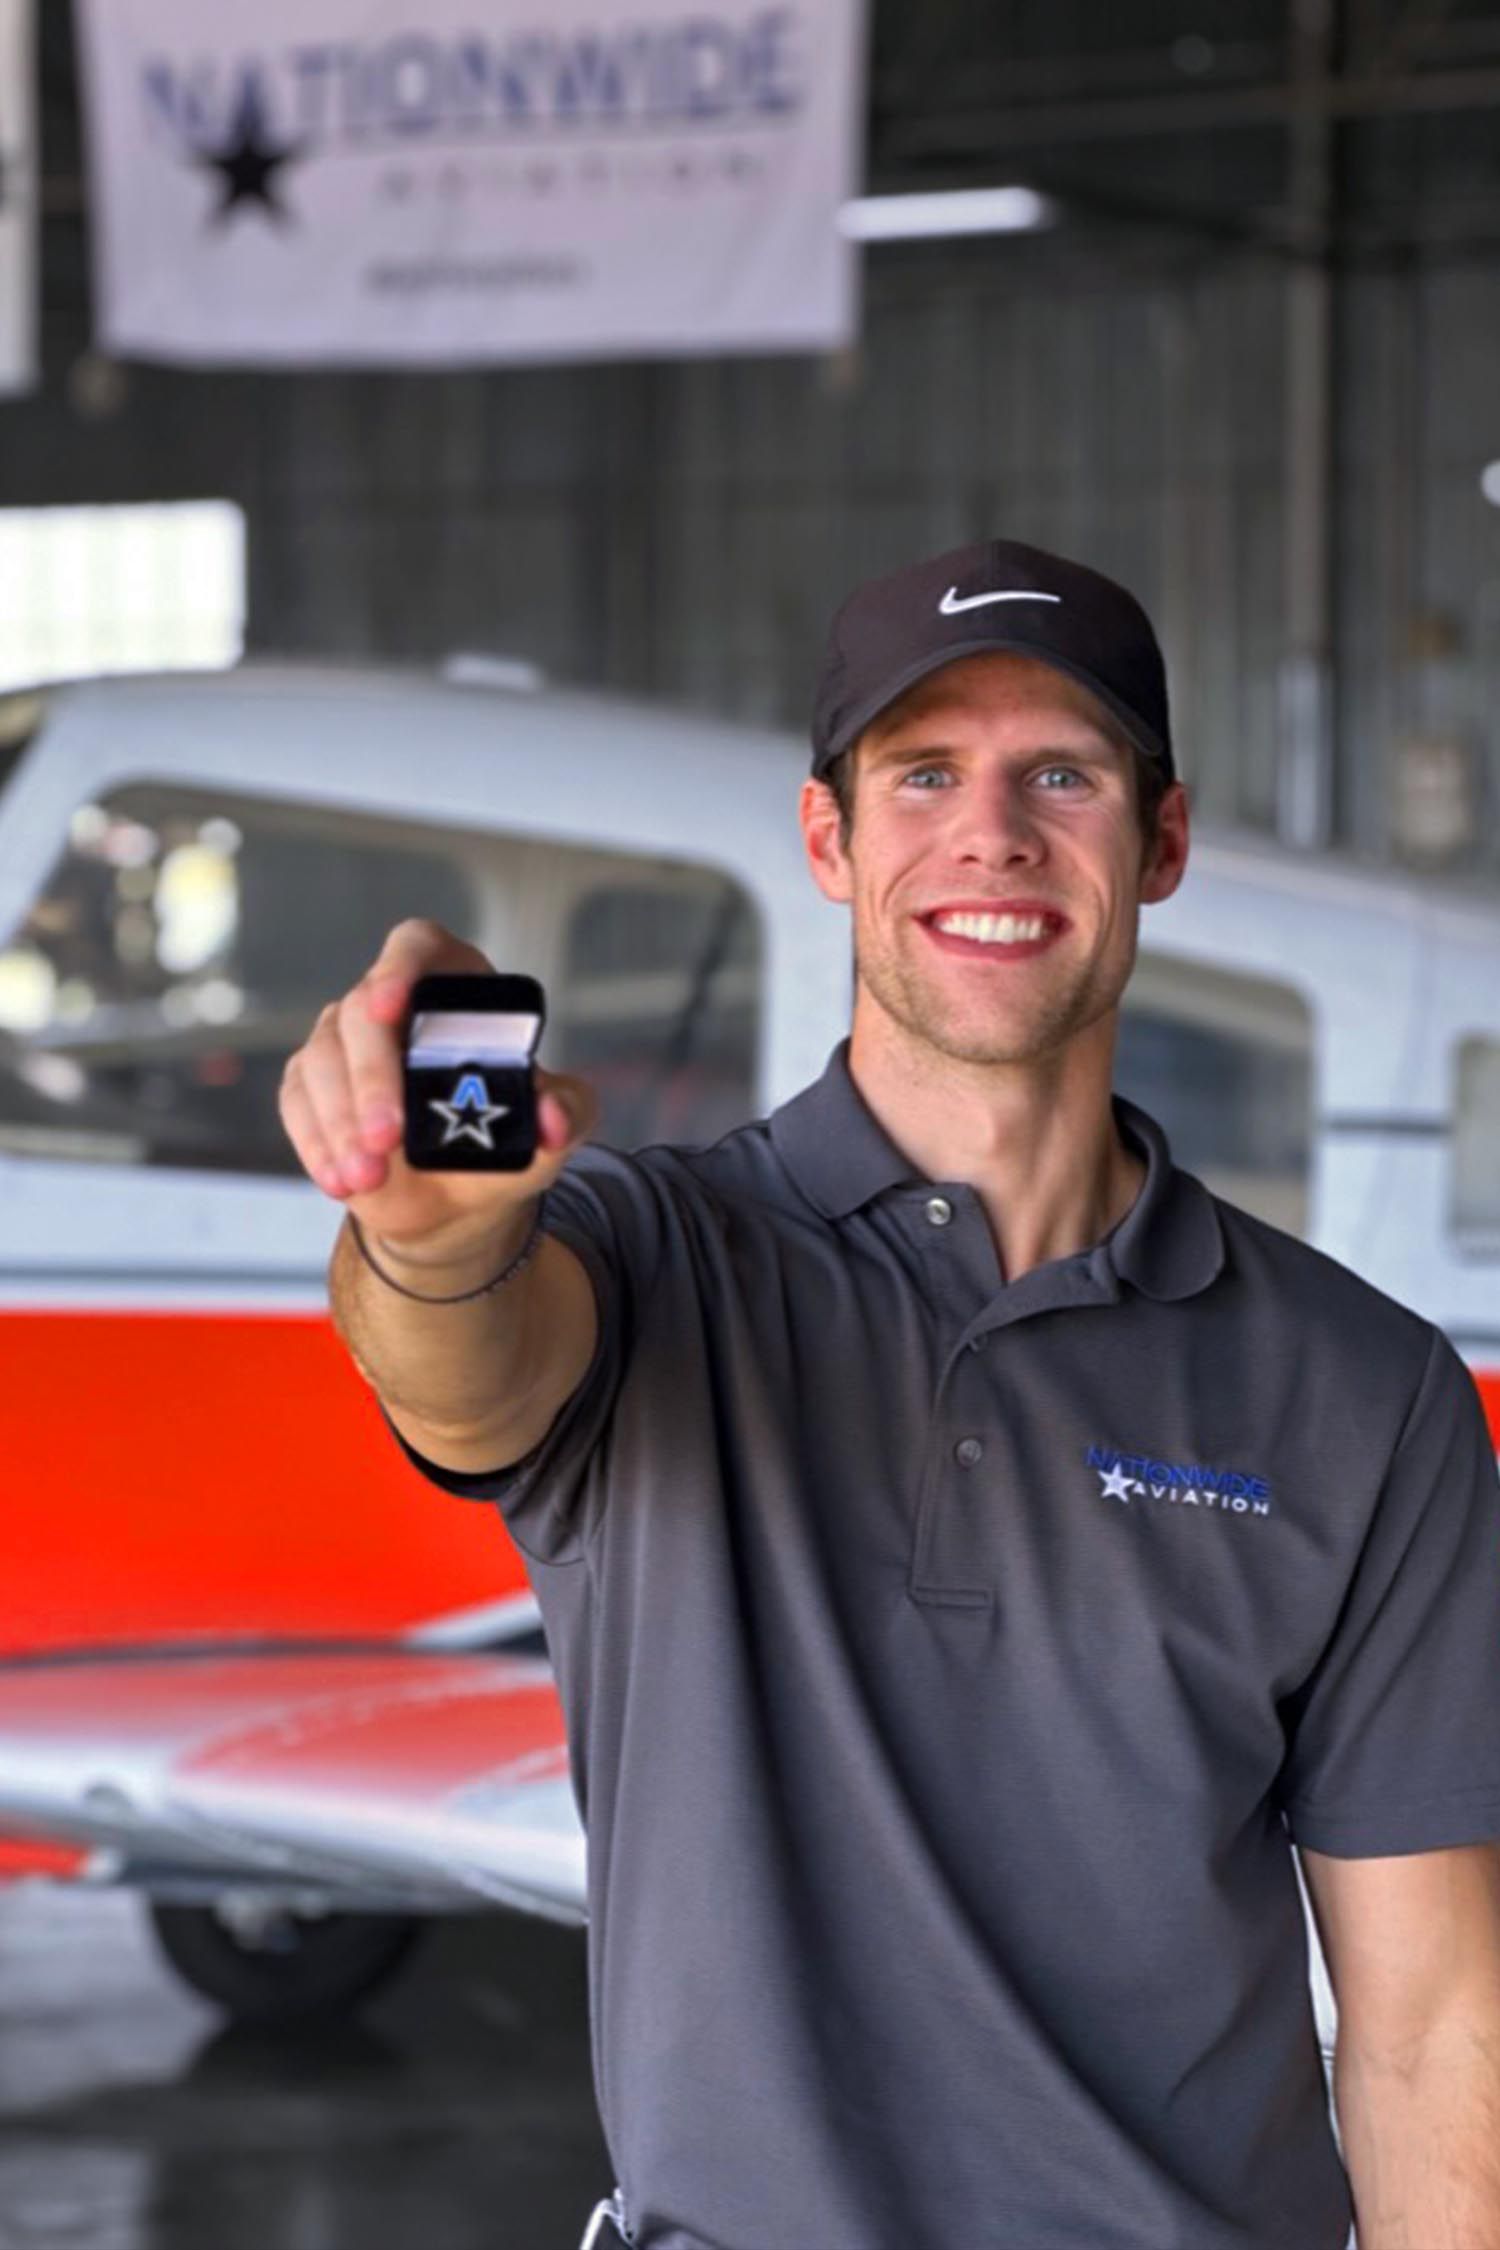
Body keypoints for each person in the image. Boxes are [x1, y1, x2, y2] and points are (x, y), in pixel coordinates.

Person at [281, 537, 1500, 2250]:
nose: (990, 831)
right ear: (828, 840)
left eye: (1060, 773)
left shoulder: (1364, 1390)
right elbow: (466, 1374)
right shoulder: (653, 1262)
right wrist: (429, 1230)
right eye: (924, 773)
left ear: (1161, 841)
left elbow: (1434, 2021)